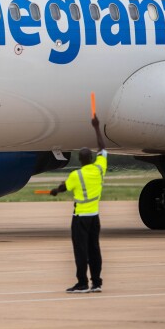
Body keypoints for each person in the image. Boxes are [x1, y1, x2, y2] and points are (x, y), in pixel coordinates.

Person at [51, 114, 107, 293]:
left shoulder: (77, 175)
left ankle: (82, 283)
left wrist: (54, 191)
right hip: (94, 216)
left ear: (80, 160)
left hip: (81, 218)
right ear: (91, 158)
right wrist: (96, 127)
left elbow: (63, 187)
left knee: (81, 251)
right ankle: (97, 283)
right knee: (95, 250)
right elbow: (103, 148)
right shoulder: (99, 168)